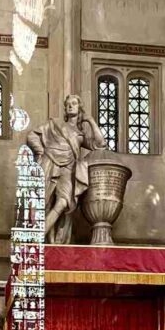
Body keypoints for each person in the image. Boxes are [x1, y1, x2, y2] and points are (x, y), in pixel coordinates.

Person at [27, 94, 106, 243]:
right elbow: (32, 135)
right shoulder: (54, 124)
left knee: (64, 202)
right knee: (43, 202)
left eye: (74, 103)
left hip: (69, 168)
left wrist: (90, 120)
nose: (70, 106)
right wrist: (40, 151)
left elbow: (100, 144)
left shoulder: (81, 134)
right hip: (50, 161)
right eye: (68, 104)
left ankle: (39, 235)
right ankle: (44, 240)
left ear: (79, 107)